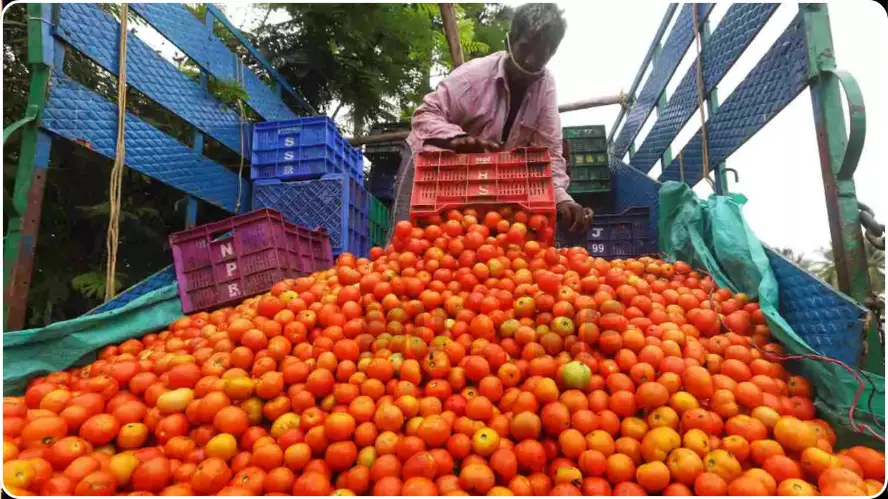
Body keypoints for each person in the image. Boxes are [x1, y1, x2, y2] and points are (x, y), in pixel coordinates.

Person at [390, 3, 592, 234]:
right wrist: (456, 139)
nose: (529, 61)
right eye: (525, 48)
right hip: (429, 163)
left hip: (483, 174)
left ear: (551, 54)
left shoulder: (545, 89)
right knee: (407, 237)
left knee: (470, 243)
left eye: (540, 55)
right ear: (510, 41)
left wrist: (561, 198)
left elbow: (550, 153)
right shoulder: (473, 77)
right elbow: (425, 115)